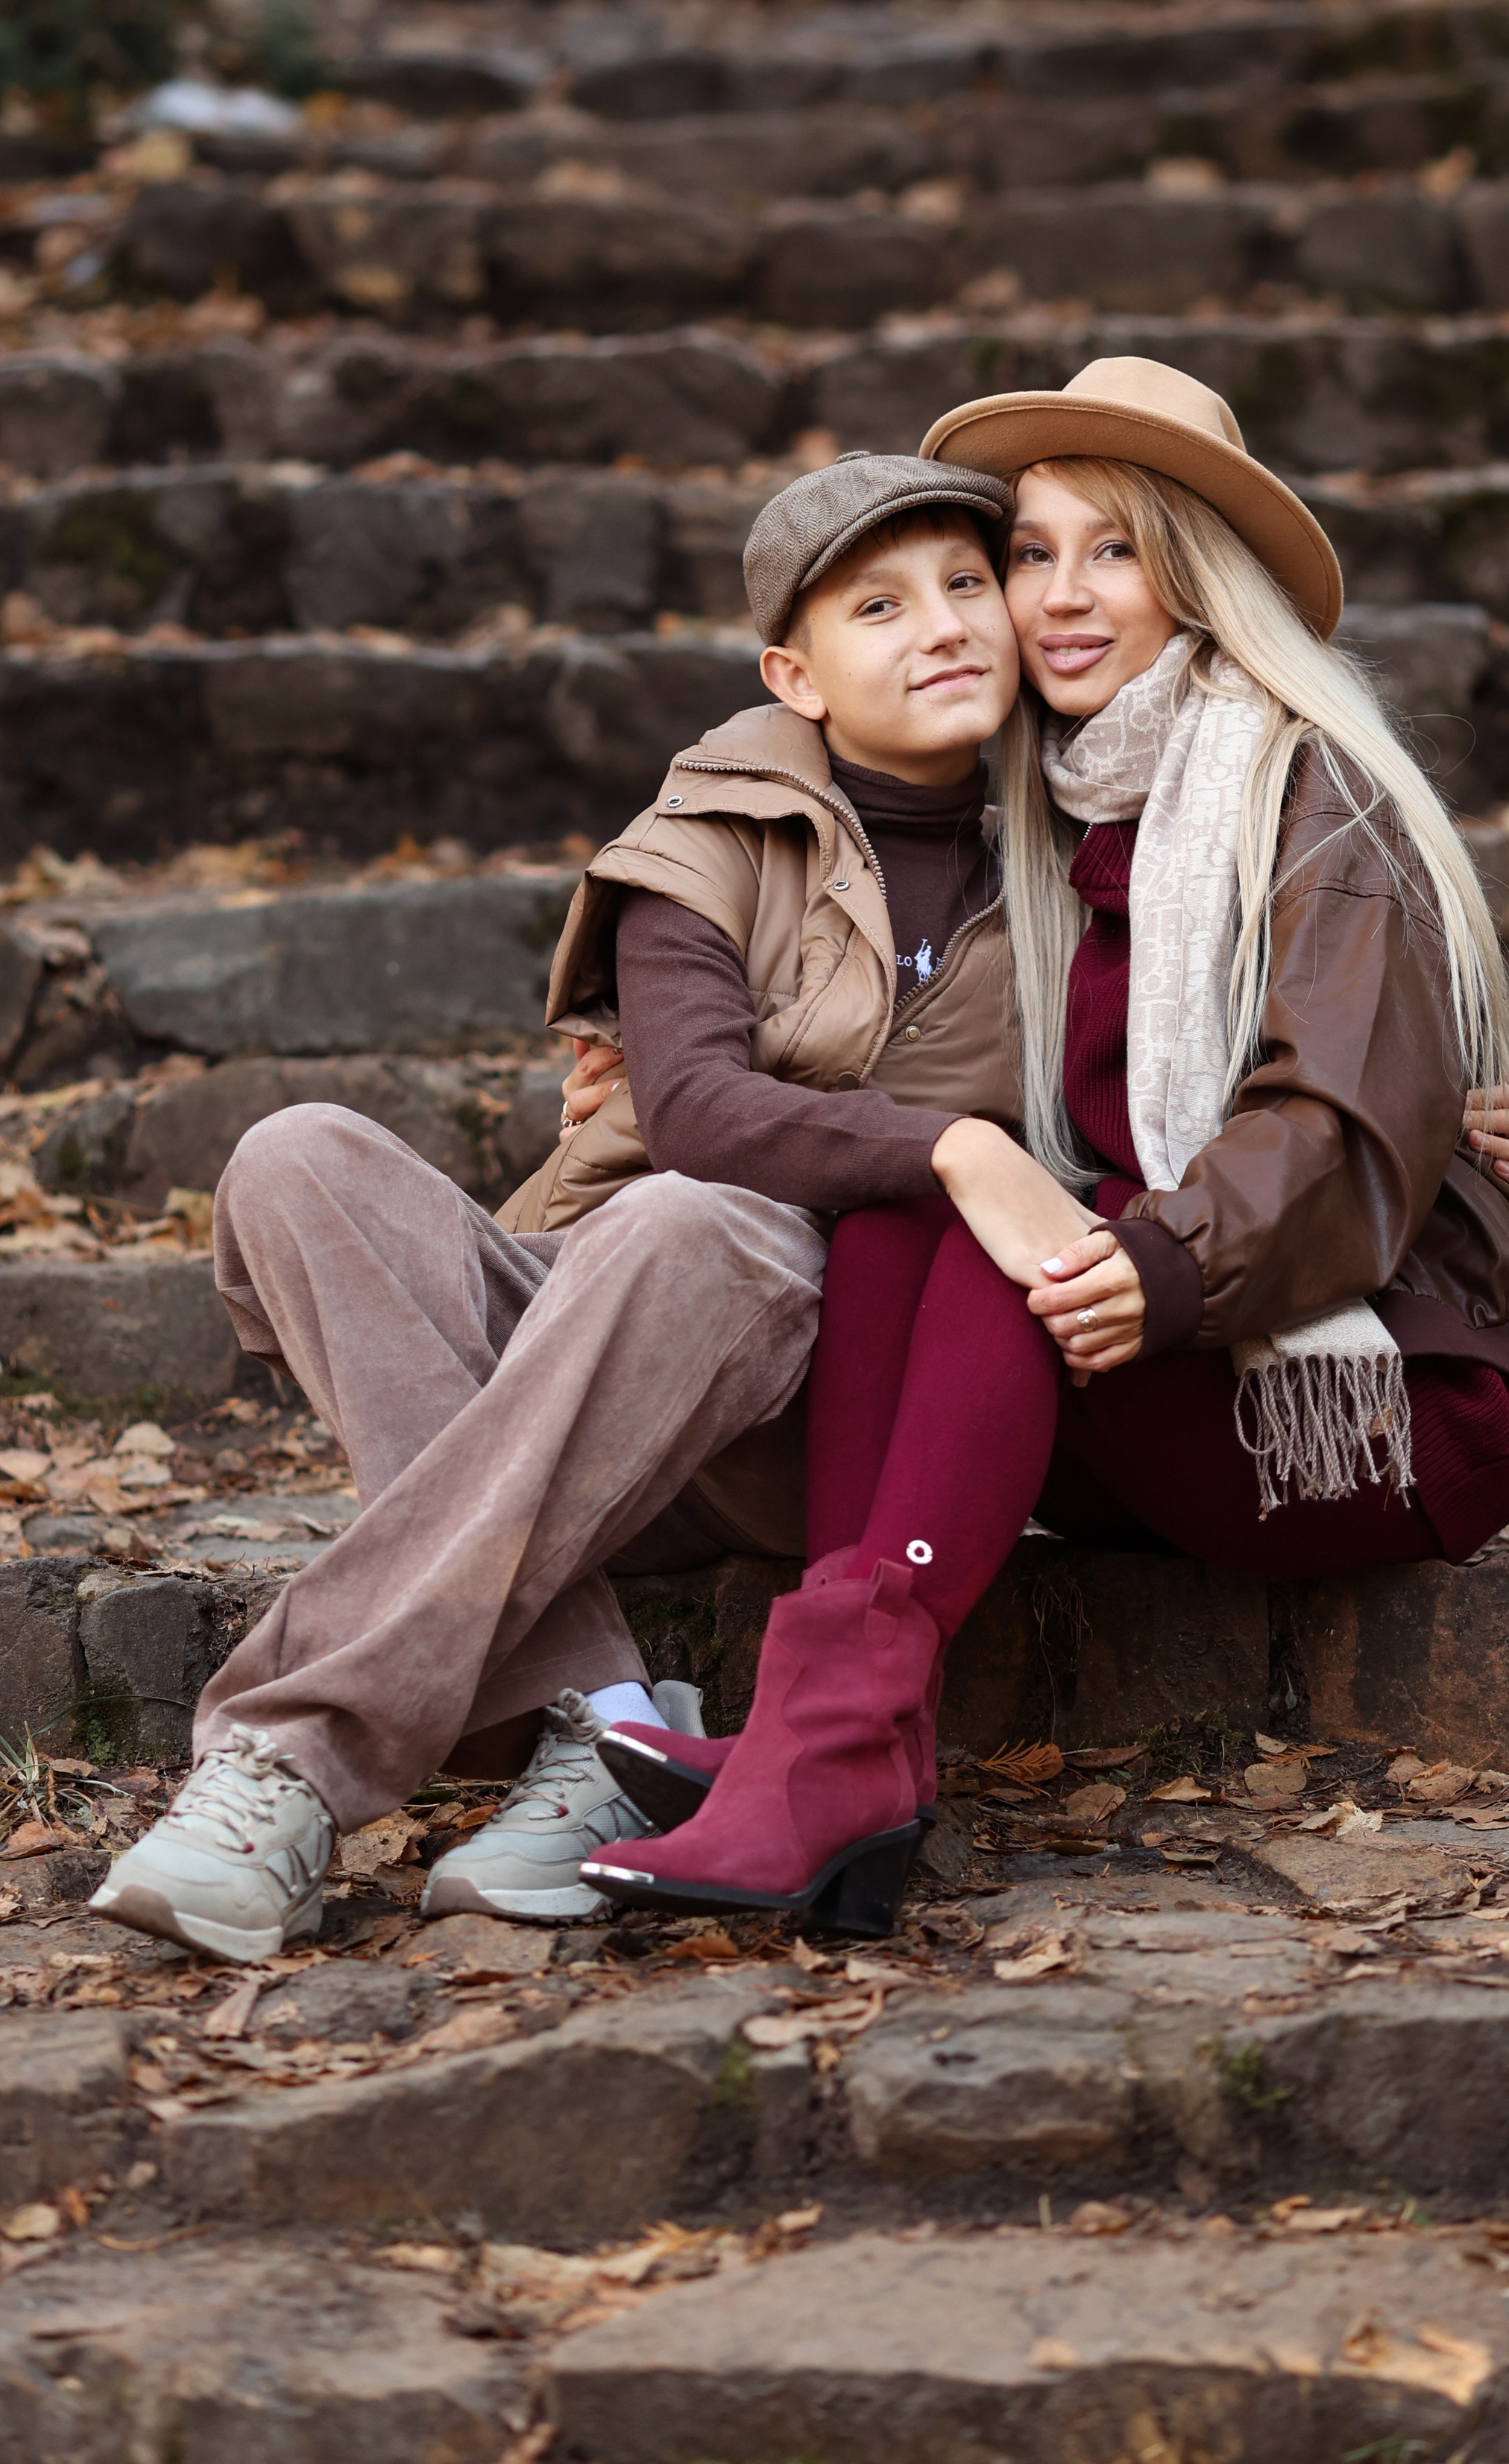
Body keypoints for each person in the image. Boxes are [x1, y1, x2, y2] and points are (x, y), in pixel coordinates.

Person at [581, 356, 1509, 1936]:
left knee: (993, 1221)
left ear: (1196, 573)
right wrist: (632, 1061)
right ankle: (834, 1743)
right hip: (1177, 1360)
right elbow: (862, 999)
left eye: (1115, 549)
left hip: (1379, 1395)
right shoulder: (1060, 814)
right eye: (1029, 553)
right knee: (920, 1197)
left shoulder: (1306, 786)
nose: (1057, 595)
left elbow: (1334, 1121)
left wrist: (1162, 1259)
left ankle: (825, 1745)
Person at [86, 450, 1031, 1962]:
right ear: (793, 676)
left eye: (969, 583)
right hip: (593, 1355)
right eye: (879, 605)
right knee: (296, 1154)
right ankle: (604, 1720)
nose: (942, 625)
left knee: (697, 1221)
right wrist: (952, 1145)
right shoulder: (705, 838)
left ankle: (294, 1760)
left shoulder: (1080, 839)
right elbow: (702, 1106)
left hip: (817, 1396)